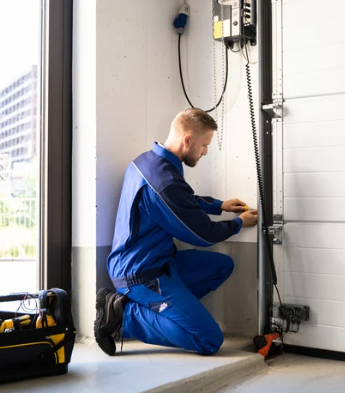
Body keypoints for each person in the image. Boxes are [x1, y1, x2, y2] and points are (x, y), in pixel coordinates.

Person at [95, 108, 259, 356]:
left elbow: (183, 200)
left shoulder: (148, 162)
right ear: (188, 140)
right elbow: (203, 235)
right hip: (140, 274)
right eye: (204, 145)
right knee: (209, 340)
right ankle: (124, 315)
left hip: (161, 261)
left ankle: (167, 312)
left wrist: (219, 205)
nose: (205, 152)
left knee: (222, 265)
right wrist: (238, 224)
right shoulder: (163, 182)